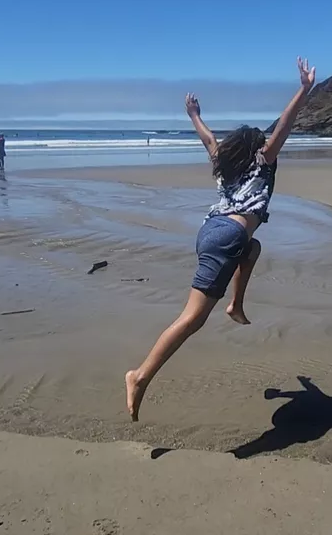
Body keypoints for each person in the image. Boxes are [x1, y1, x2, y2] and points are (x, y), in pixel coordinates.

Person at [124, 57, 316, 421]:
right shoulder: (263, 161)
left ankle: (236, 305)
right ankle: (140, 376)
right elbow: (285, 125)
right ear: (258, 148)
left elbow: (209, 138)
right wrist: (304, 89)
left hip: (211, 230)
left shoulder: (226, 166)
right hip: (227, 236)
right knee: (191, 320)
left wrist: (194, 113)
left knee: (254, 247)